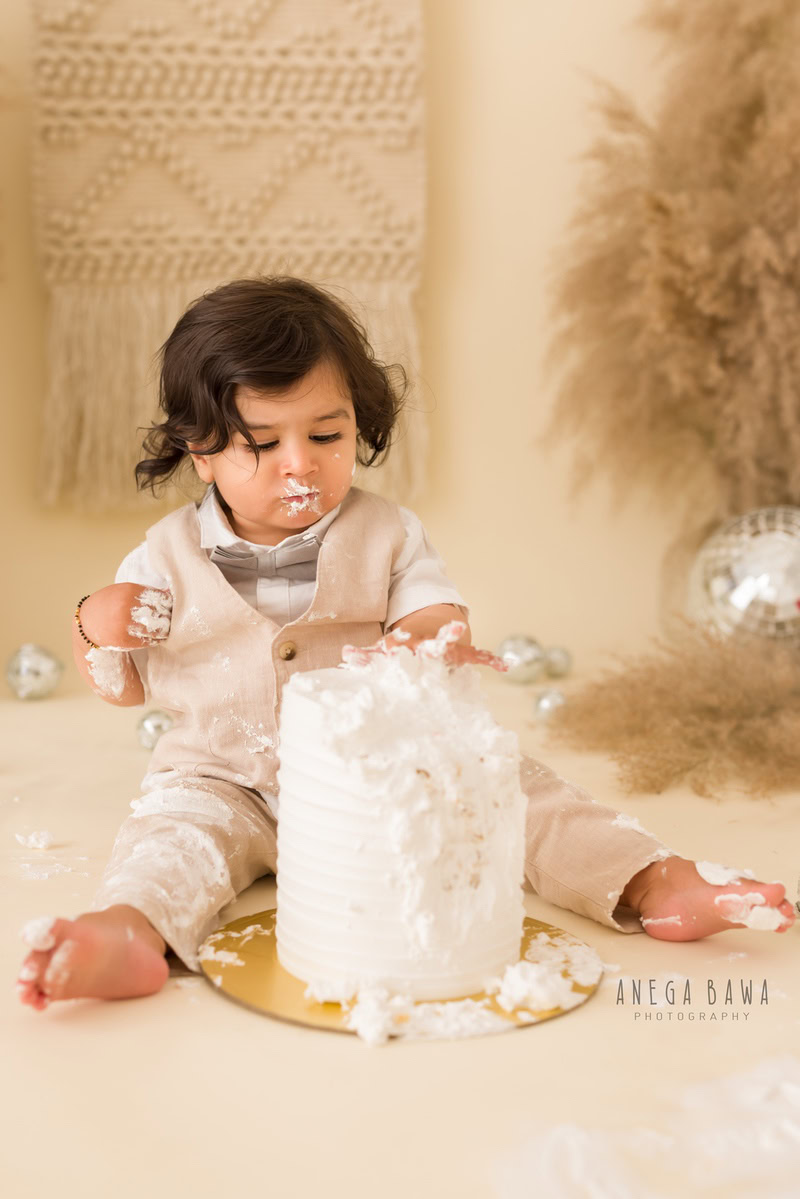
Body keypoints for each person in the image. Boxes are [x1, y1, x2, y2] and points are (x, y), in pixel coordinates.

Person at [16, 277, 795, 1010]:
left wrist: (424, 641)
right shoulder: (163, 555)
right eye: (261, 444)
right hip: (223, 775)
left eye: (327, 433)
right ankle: (128, 932)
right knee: (169, 841)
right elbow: (121, 687)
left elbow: (433, 613)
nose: (300, 464)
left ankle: (653, 881)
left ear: (359, 422)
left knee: (516, 794)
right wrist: (97, 622)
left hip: (385, 763)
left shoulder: (386, 534)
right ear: (202, 450)